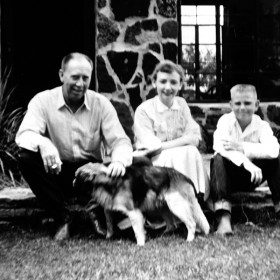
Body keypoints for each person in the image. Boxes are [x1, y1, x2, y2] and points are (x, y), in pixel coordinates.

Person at [15, 52, 133, 241]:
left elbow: (121, 141)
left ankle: (100, 215)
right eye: (75, 77)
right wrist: (44, 143)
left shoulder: (101, 104)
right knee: (26, 158)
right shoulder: (42, 101)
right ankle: (63, 218)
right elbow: (24, 135)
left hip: (88, 173)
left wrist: (119, 160)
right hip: (56, 170)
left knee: (122, 168)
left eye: (85, 78)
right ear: (62, 75)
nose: (80, 84)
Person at [134, 60, 209, 204]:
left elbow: (194, 137)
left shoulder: (181, 104)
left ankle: (193, 199)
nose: (168, 87)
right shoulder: (144, 110)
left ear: (180, 84)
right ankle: (173, 203)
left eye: (173, 82)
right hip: (154, 163)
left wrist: (185, 141)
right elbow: (151, 148)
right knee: (186, 151)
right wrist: (183, 141)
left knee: (190, 151)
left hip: (180, 157)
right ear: (154, 83)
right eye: (163, 82)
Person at [210, 84, 280, 235]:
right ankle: (223, 219)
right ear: (231, 105)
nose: (242, 108)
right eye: (238, 103)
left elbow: (273, 150)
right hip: (229, 178)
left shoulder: (262, 126)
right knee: (218, 158)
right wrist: (246, 162)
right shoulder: (225, 122)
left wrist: (242, 146)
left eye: (247, 103)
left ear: (256, 105)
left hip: (255, 178)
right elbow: (219, 146)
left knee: (277, 158)